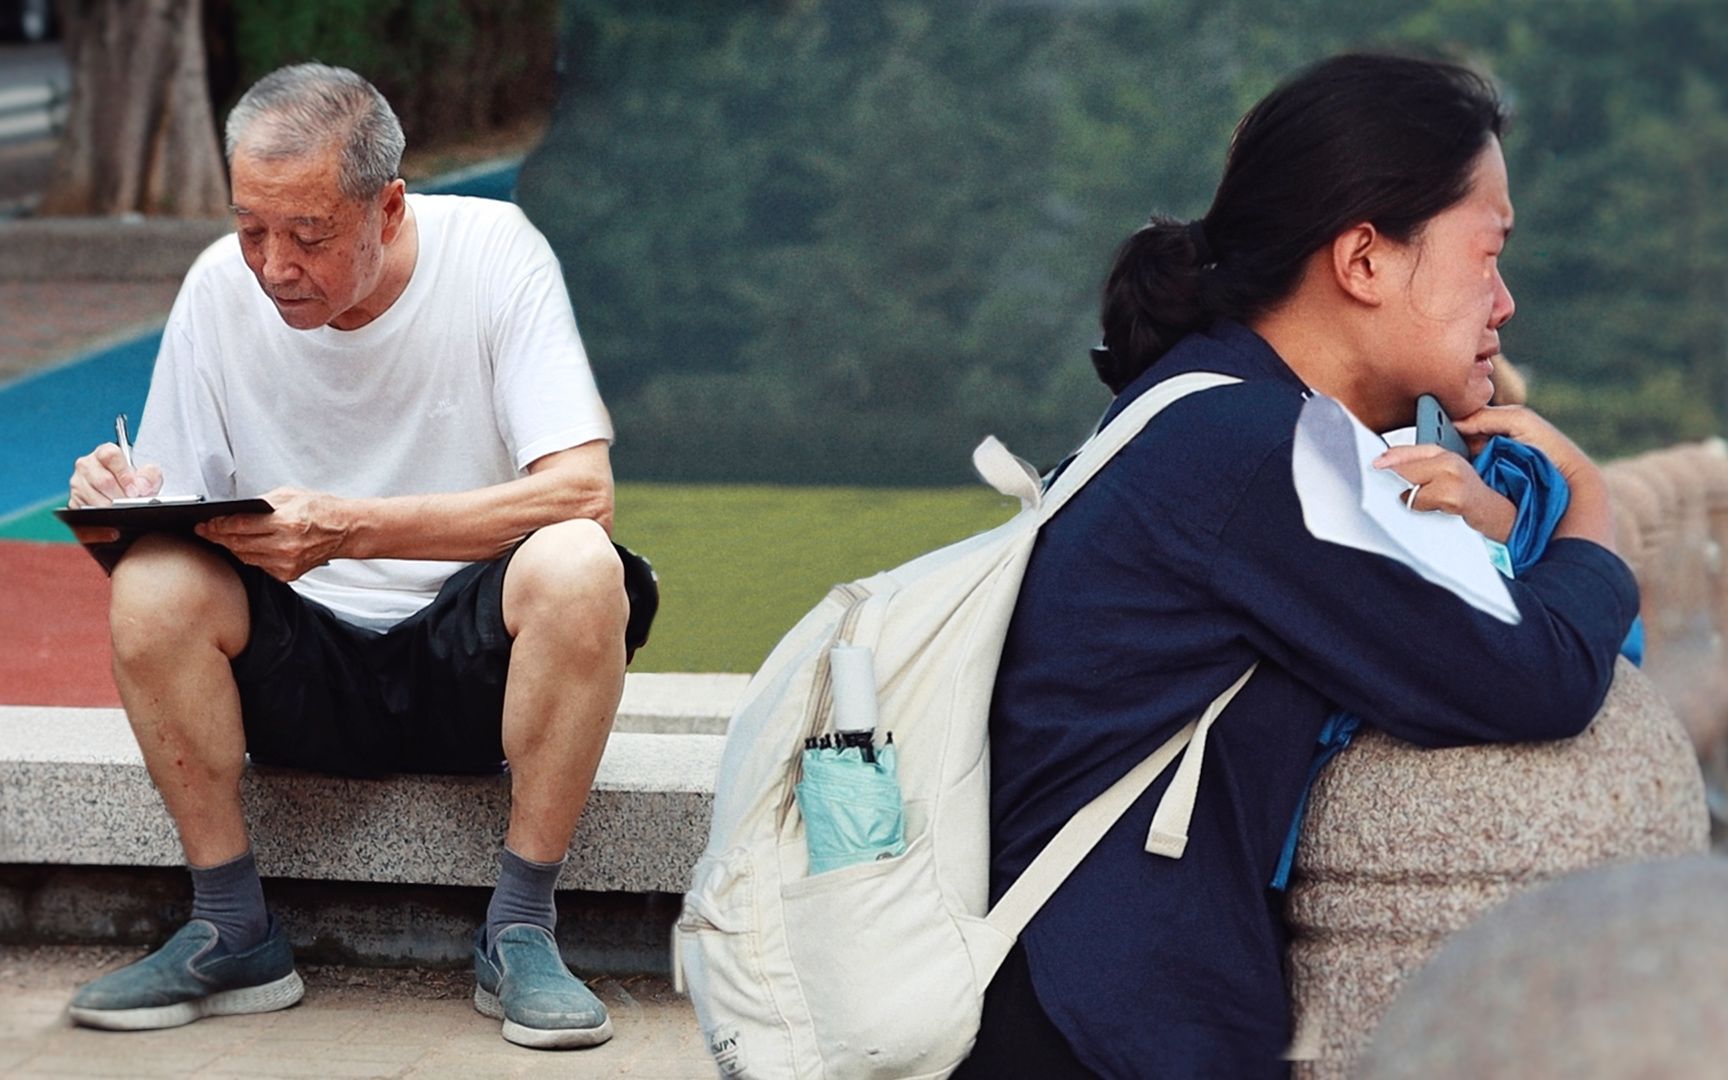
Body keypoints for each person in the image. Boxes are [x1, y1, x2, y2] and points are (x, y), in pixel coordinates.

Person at [955, 54, 1637, 1078]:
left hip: (1073, 1008)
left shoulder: (1210, 409)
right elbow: (1534, 677)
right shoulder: (1263, 453)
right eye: (1486, 253)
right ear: (1363, 260)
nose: (1503, 303)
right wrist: (1592, 510)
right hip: (1103, 1032)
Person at [62, 63, 640, 1051]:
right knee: (154, 582)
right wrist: (124, 503)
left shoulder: (497, 255)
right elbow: (178, 512)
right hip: (300, 671)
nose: (274, 264)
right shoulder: (216, 287)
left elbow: (581, 491)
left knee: (583, 563)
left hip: (470, 667)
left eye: (310, 234)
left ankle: (522, 928)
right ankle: (232, 925)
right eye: (252, 228)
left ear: (388, 206)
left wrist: (350, 527)